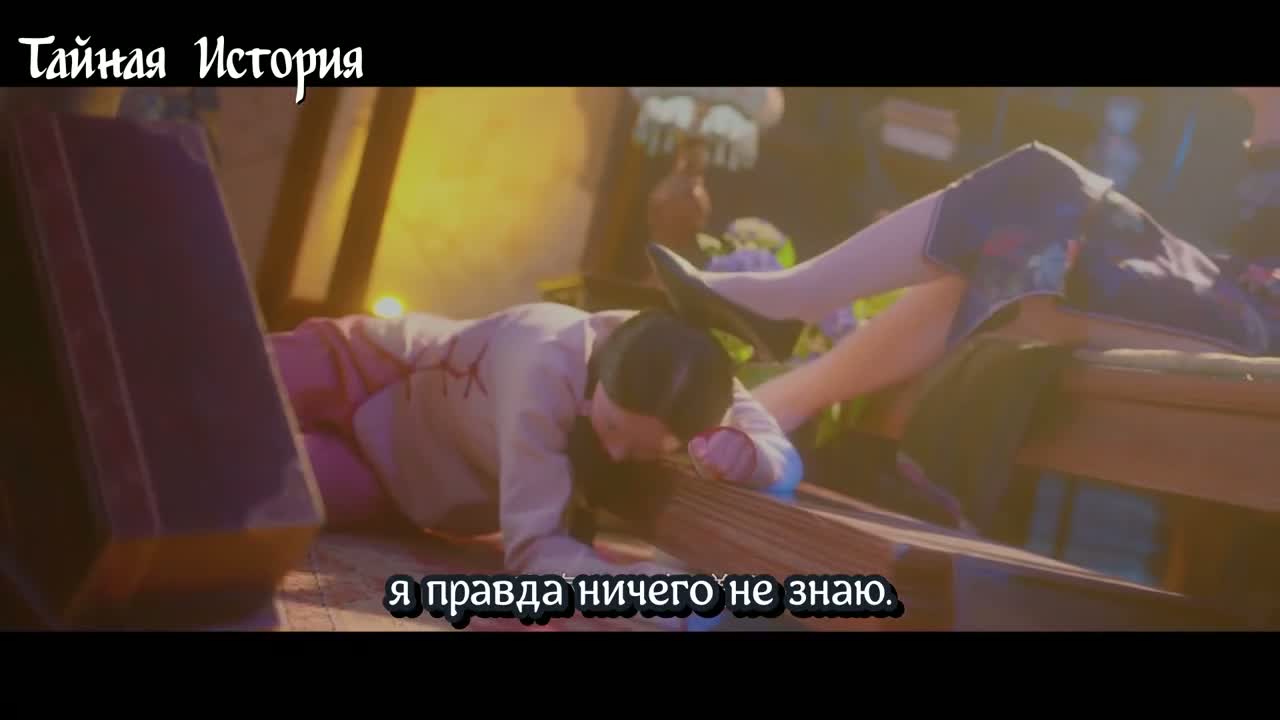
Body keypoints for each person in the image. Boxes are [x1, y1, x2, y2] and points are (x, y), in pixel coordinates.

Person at [647, 90, 1280, 434]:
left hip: (1261, 323)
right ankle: (780, 398)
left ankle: (787, 319)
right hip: (1229, 291)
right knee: (1014, 235)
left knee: (1042, 194)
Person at [268, 302, 803, 581]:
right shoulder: (546, 364)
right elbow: (534, 552)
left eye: (645, 451)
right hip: (366, 363)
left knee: (255, 486)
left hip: (393, 474)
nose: (617, 455)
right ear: (601, 376)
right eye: (612, 428)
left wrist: (749, 454)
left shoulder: (687, 380)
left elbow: (780, 452)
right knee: (231, 384)